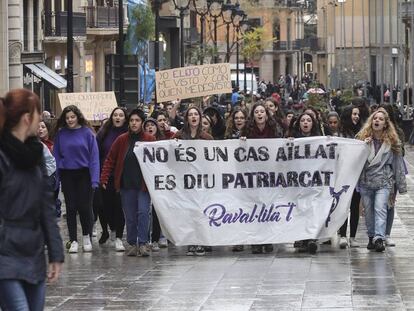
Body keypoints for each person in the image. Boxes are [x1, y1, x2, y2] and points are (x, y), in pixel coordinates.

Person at [0, 89, 64, 310]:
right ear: (28, 117)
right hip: (5, 254)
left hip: (34, 254)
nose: (41, 120)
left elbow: (46, 207)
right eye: (39, 114)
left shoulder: (35, 153)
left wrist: (56, 253)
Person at [101, 109, 155, 257]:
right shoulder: (122, 139)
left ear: (142, 123)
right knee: (130, 216)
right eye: (131, 120)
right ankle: (132, 243)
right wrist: (104, 177)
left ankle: (143, 242)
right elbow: (110, 159)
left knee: (144, 212)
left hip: (143, 185)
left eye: (137, 120)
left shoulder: (150, 139)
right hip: (126, 184)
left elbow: (160, 155)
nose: (134, 123)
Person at [356, 108, 407, 252]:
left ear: (385, 124)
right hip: (366, 182)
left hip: (384, 182)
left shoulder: (392, 142)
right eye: (374, 118)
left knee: (380, 208)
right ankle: (372, 236)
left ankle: (379, 238)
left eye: (380, 119)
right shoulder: (361, 139)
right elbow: (355, 160)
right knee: (369, 211)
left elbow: (398, 165)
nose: (376, 120)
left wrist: (401, 186)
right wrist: (363, 147)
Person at [54, 105, 100, 253]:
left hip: (84, 174)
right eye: (67, 118)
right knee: (71, 207)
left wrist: (94, 179)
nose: (69, 120)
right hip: (67, 174)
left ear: (78, 117)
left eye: (72, 117)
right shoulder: (60, 134)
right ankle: (73, 239)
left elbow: (94, 158)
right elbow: (56, 156)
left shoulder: (87, 133)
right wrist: (57, 177)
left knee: (85, 207)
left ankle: (86, 236)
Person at [174, 106, 213, 256]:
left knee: (201, 211)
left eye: (196, 114)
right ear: (186, 119)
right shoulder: (179, 136)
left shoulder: (207, 138)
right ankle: (191, 242)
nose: (193, 117)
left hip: (202, 181)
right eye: (190, 115)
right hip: (185, 181)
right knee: (189, 212)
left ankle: (201, 242)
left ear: (200, 117)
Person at [243, 102, 281, 254]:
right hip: (253, 175)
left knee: (268, 206)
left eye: (262, 111)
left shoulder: (274, 129)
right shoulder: (247, 130)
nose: (259, 114)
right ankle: (256, 241)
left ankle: (268, 238)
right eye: (256, 112)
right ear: (253, 115)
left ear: (266, 114)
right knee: (255, 207)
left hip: (270, 174)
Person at [287, 112, 320, 254]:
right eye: (303, 120)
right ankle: (300, 236)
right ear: (298, 123)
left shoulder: (320, 140)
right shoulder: (292, 139)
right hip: (297, 182)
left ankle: (311, 237)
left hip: (314, 180)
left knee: (312, 208)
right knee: (300, 208)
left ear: (313, 123)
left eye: (308, 120)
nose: (306, 123)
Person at [96, 107, 128, 251]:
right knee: (105, 206)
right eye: (115, 115)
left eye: (121, 115)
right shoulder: (104, 133)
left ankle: (119, 237)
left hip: (123, 175)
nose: (118, 117)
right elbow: (96, 153)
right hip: (106, 174)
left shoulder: (128, 133)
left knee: (119, 206)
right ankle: (112, 229)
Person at [338, 105, 362, 249]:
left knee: (354, 206)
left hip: (357, 175)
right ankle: (342, 235)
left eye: (358, 114)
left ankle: (352, 237)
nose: (357, 117)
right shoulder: (340, 133)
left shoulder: (362, 131)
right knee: (343, 206)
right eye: (354, 114)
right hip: (343, 175)